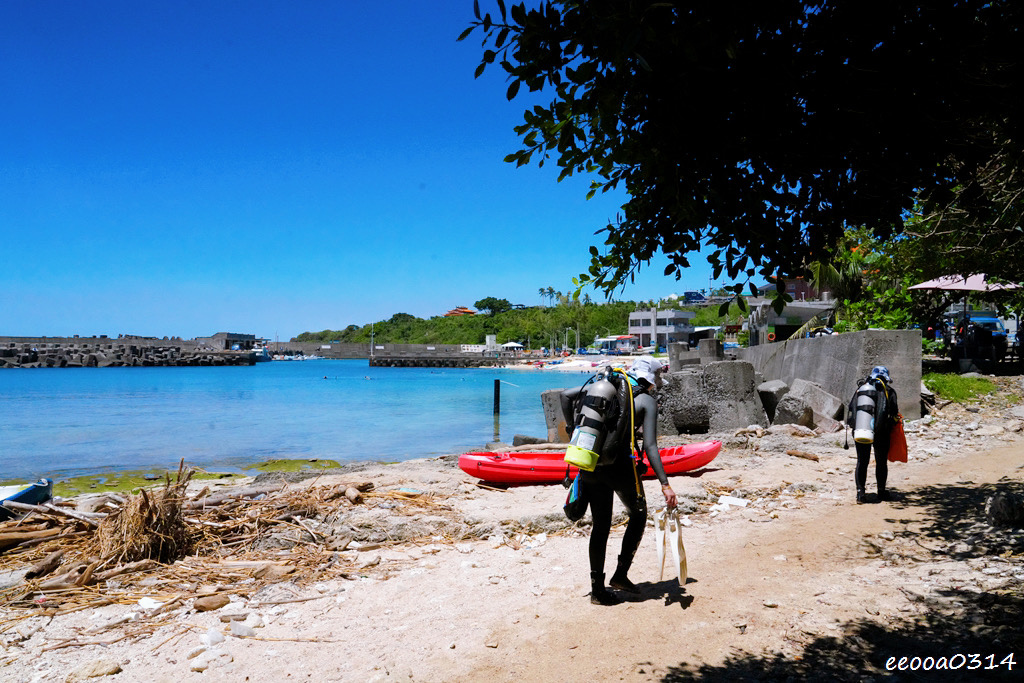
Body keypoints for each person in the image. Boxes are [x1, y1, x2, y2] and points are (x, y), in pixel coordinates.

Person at [559, 357, 677, 605]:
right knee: (639, 514)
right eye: (656, 381)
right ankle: (621, 574)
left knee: (600, 527)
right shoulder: (646, 400)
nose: (656, 386)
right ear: (650, 380)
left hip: (592, 464)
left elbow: (566, 396)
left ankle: (597, 591)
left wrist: (571, 427)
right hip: (622, 468)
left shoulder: (602, 388)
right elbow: (652, 446)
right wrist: (665, 484)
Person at [848, 365, 900, 503]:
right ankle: (881, 492)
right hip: (881, 431)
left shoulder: (861, 389)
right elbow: (894, 412)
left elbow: (851, 408)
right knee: (881, 462)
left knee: (862, 461)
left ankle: (860, 493)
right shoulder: (890, 391)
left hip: (861, 429)